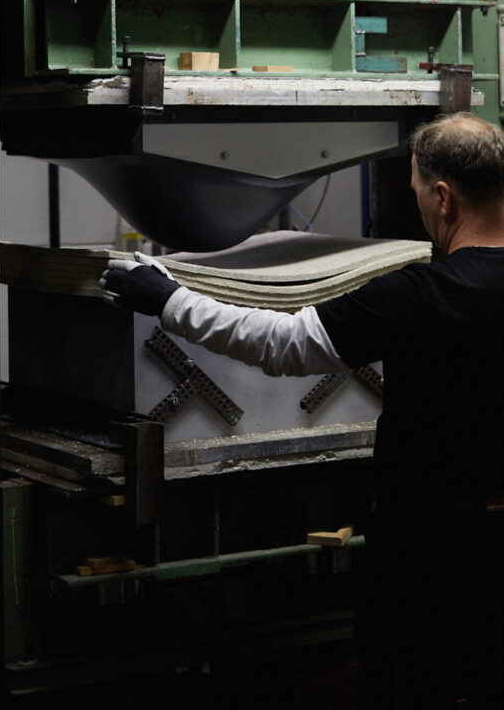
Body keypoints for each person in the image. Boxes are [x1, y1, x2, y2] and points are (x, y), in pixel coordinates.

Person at [100, 111, 504, 709]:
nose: (418, 206)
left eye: (417, 193)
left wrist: (167, 298)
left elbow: (285, 344)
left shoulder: (423, 295)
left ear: (442, 198)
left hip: (432, 550)